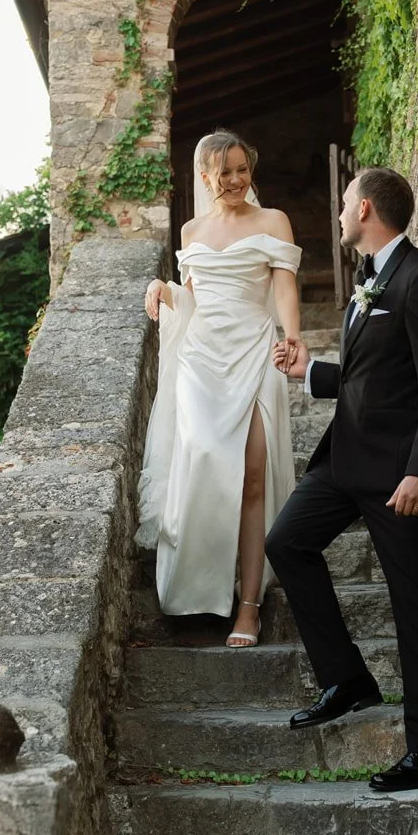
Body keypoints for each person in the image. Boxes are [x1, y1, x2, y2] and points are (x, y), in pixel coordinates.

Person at [267, 167, 418, 791]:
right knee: (286, 543)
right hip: (342, 462)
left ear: (369, 209)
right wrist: (310, 370)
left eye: (347, 202)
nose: (342, 211)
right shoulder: (369, 280)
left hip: (397, 477)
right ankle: (348, 678)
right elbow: (368, 378)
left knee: (417, 605)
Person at [137, 131, 303, 646]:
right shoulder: (190, 231)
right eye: (223, 172)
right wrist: (162, 288)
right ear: (204, 176)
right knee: (206, 458)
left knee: (253, 475)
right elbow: (192, 299)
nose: (234, 180)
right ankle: (200, 587)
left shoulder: (272, 221)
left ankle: (248, 608)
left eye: (241, 169)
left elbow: (283, 286)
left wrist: (292, 336)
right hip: (202, 360)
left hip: (253, 351)